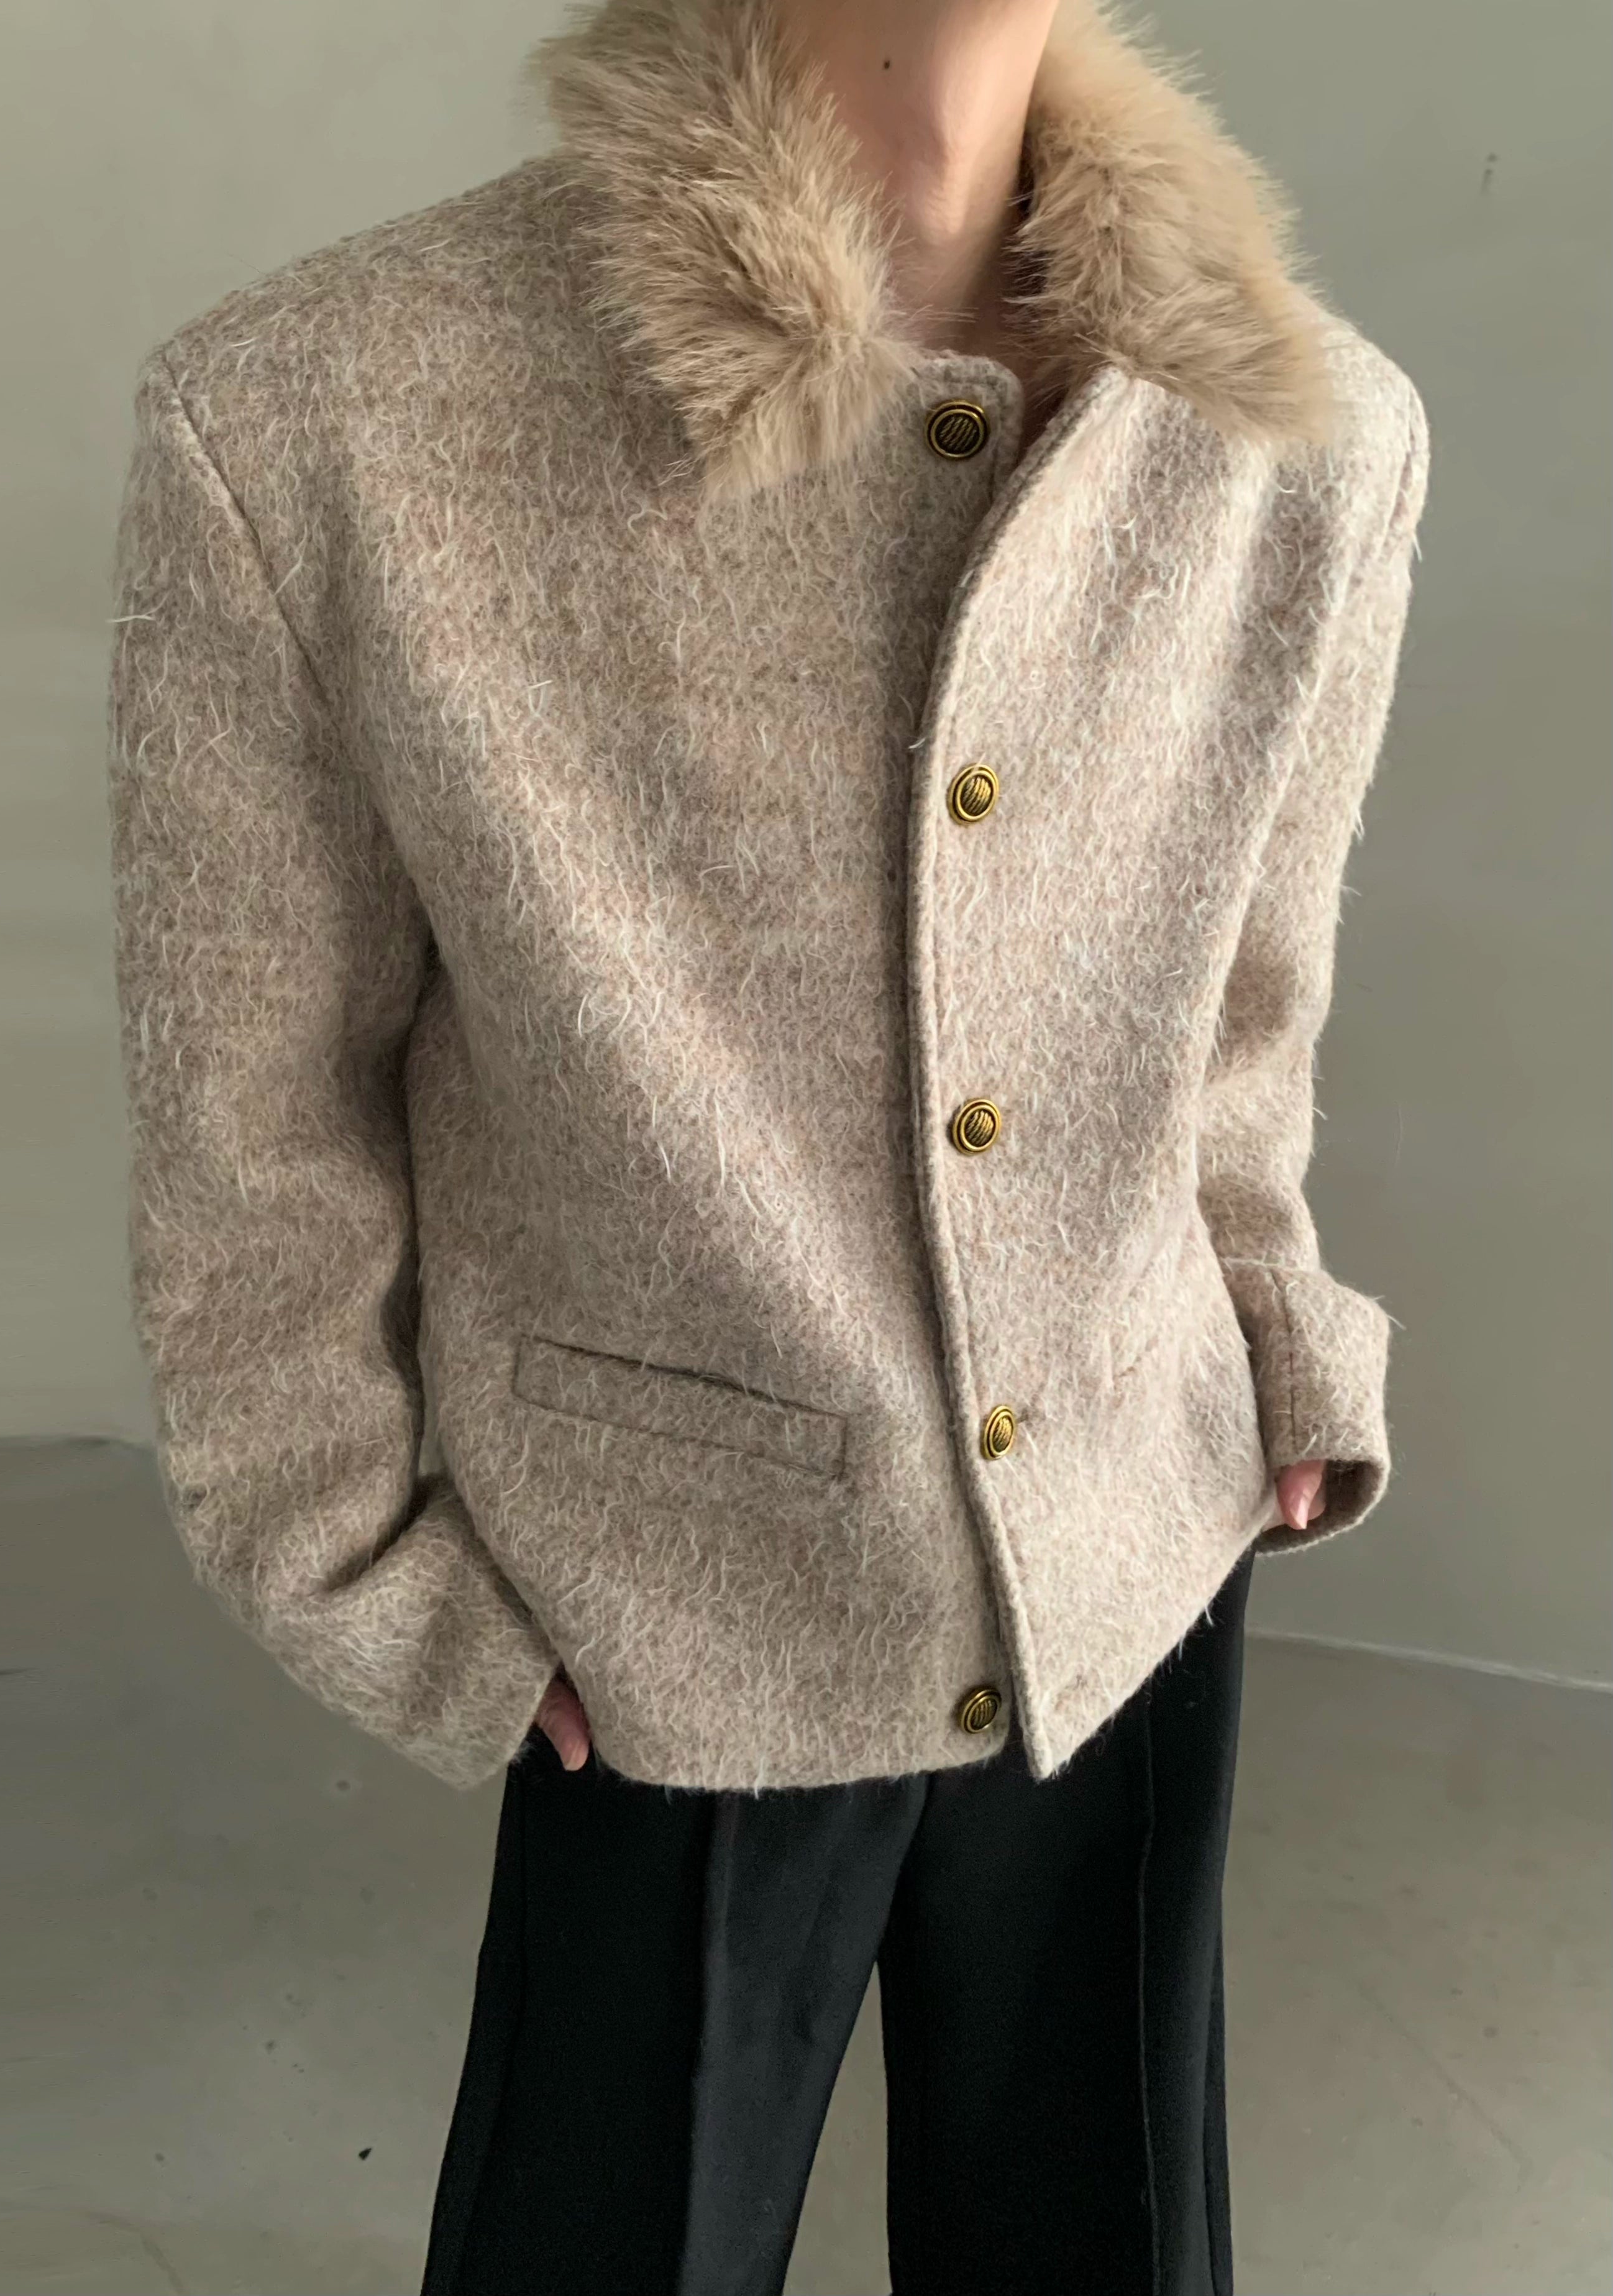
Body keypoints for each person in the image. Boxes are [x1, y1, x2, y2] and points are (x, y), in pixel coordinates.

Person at [104, 0, 1428, 2287]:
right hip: (659, 1614)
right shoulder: (323, 419)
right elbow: (252, 1118)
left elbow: (1243, 1006)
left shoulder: (1302, 435)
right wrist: (364, 1572)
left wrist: (1268, 1321)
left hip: (1131, 1538)